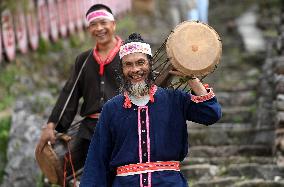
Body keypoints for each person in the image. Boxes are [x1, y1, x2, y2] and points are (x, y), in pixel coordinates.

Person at [80, 33, 222, 186]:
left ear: (150, 64)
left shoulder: (175, 100)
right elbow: (97, 161)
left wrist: (191, 78)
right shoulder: (111, 109)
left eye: (141, 62)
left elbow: (211, 114)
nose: (135, 69)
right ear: (121, 69)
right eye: (128, 64)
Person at [35, 3, 122, 171]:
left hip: (123, 126)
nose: (99, 28)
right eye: (93, 24)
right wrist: (51, 125)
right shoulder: (83, 60)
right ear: (88, 29)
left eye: (103, 23)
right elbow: (70, 93)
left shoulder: (129, 53)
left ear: (113, 24)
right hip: (90, 130)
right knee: (67, 169)